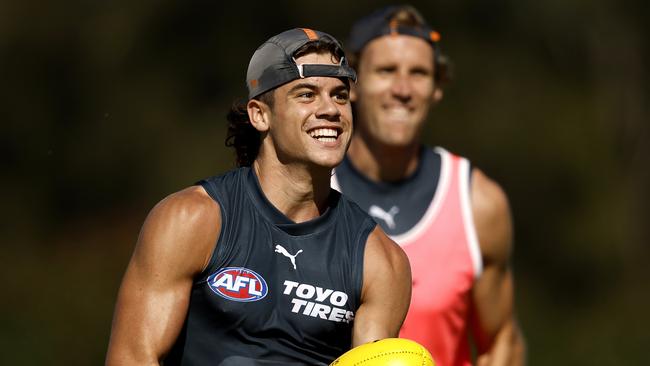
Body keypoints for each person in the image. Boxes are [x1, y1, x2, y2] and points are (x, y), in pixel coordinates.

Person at [105, 28, 411, 366]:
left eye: (340, 95)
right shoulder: (192, 219)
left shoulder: (379, 260)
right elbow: (132, 357)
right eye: (306, 95)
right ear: (260, 115)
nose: (331, 110)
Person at [331, 6, 526, 366]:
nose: (403, 89)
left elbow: (501, 341)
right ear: (351, 85)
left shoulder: (477, 202)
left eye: (419, 73)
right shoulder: (305, 190)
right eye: (386, 71)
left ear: (437, 88)